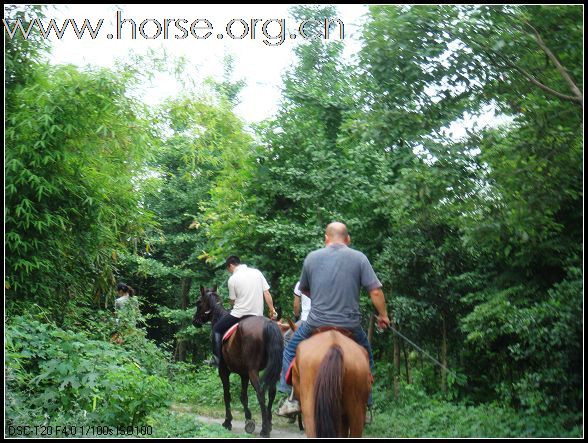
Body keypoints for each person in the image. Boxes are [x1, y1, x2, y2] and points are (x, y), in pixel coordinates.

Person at [277, 222, 391, 418]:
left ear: (326, 238)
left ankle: (292, 398)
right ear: (348, 239)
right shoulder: (359, 258)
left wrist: (323, 298)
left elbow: (304, 289)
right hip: (350, 326)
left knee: (289, 350)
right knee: (367, 357)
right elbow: (375, 291)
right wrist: (384, 316)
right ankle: (368, 402)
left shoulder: (312, 258)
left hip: (315, 324)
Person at [208, 255, 278, 367]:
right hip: (258, 315)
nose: (229, 271)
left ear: (230, 265)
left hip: (239, 314)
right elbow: (267, 293)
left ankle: (217, 360)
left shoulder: (233, 279)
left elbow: (233, 301)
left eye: (228, 269)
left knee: (216, 329)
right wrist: (272, 310)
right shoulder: (257, 273)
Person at [283, 281, 311, 346]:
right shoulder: (324, 282)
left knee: (287, 337)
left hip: (306, 319)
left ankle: (289, 356)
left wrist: (296, 317)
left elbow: (296, 306)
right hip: (324, 320)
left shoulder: (300, 283)